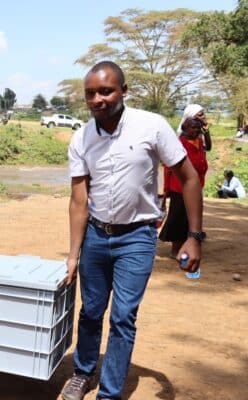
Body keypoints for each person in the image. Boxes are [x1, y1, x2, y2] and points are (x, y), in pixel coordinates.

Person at [62, 61, 204, 400]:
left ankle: (109, 394)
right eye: (90, 94)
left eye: (106, 91)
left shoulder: (151, 126)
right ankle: (82, 373)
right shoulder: (80, 138)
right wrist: (73, 254)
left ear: (124, 91)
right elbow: (79, 200)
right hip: (96, 236)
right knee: (91, 311)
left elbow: (189, 178)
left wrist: (194, 237)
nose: (97, 99)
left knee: (123, 317)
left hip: (137, 238)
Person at [160, 105, 211, 258]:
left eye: (198, 129)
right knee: (178, 217)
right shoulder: (179, 143)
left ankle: (191, 241)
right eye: (193, 128)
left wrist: (206, 130)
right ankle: (175, 248)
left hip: (196, 185)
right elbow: (168, 167)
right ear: (185, 129)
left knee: (192, 216)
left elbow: (208, 147)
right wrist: (166, 189)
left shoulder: (199, 141)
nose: (196, 131)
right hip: (179, 187)